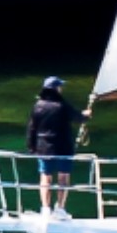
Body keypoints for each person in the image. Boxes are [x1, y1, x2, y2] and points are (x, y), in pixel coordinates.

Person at [27, 75, 84, 211]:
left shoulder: (38, 106)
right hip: (63, 148)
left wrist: (31, 147)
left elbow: (31, 128)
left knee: (45, 177)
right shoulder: (62, 105)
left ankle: (45, 209)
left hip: (43, 148)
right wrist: (86, 114)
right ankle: (60, 209)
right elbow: (79, 118)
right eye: (60, 87)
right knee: (63, 177)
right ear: (56, 89)